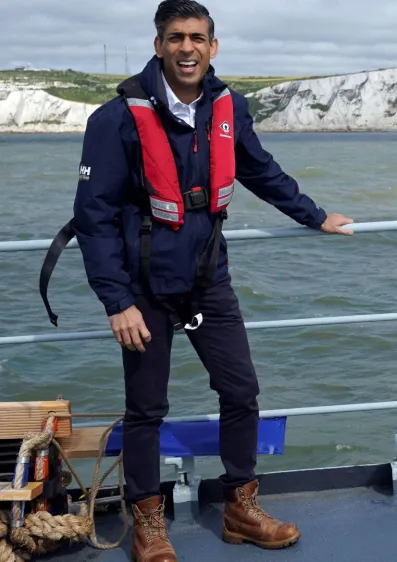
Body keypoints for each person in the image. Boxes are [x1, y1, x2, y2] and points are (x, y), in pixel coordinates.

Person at [39, 1, 353, 560]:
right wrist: (117, 302)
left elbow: (259, 169)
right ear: (159, 45)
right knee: (146, 409)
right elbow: (93, 217)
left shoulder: (226, 107)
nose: (188, 48)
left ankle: (240, 506)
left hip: (208, 277)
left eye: (198, 38)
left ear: (213, 47)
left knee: (240, 390)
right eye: (176, 37)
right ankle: (147, 522)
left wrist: (315, 214)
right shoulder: (114, 120)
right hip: (142, 289)